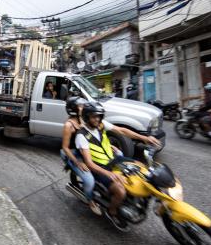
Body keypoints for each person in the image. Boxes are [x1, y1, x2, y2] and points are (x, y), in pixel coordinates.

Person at [75, 102, 162, 230]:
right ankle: (112, 212)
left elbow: (121, 130)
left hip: (114, 159)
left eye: (99, 116)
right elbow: (89, 163)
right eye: (94, 116)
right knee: (120, 191)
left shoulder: (101, 125)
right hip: (100, 167)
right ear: (87, 117)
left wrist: (144, 138)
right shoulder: (81, 136)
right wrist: (109, 174)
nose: (97, 119)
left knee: (141, 167)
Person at [61, 97, 101, 216]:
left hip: (84, 150)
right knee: (89, 181)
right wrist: (78, 162)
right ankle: (90, 200)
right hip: (72, 153)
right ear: (74, 109)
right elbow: (65, 147)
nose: (84, 107)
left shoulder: (84, 119)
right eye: (81, 106)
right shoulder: (69, 125)